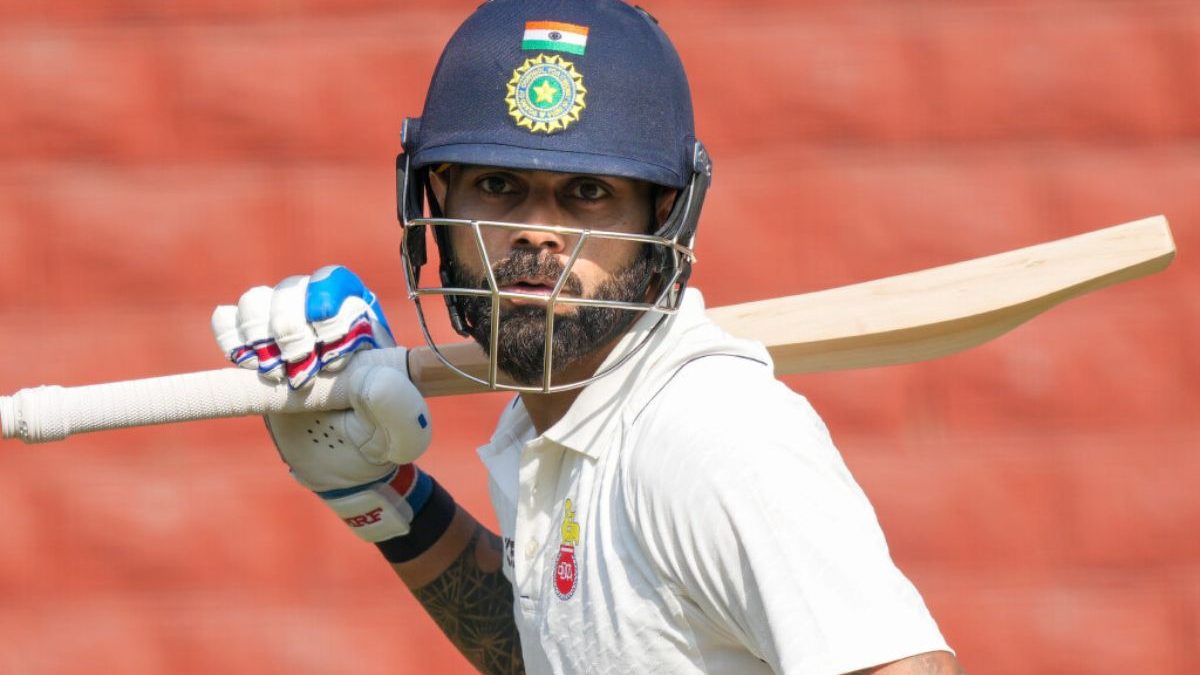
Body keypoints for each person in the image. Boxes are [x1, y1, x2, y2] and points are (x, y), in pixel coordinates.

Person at [211, 1, 967, 673]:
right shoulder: (562, 422)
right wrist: (382, 496)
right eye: (499, 186)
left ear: (663, 216)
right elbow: (564, 654)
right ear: (434, 202)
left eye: (588, 192)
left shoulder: (709, 435)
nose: (537, 232)